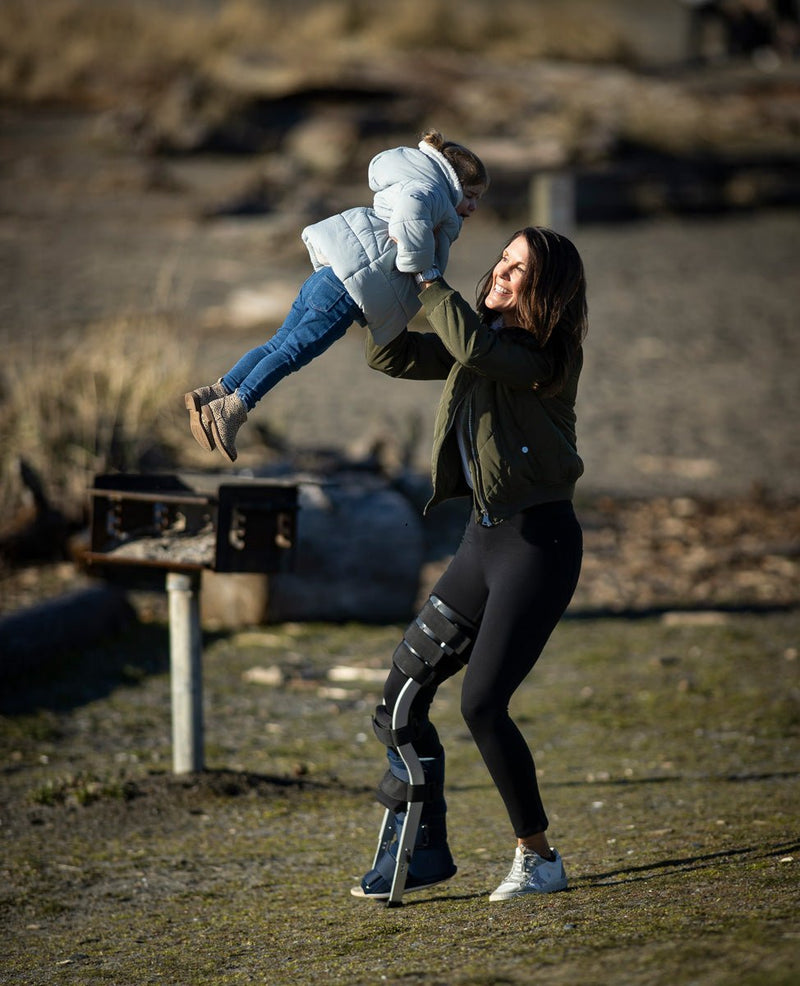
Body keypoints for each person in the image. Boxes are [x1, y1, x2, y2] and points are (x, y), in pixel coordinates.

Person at [351, 226, 588, 902]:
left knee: (482, 704)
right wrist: (379, 293)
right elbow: (392, 357)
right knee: (400, 695)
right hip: (482, 542)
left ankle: (538, 858)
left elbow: (478, 349)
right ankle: (423, 848)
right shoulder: (478, 344)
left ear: (547, 293)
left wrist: (431, 280)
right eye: (502, 261)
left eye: (520, 271)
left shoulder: (547, 356)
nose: (501, 274)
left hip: (538, 547)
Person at [184, 129, 489, 462]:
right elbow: (410, 219)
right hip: (348, 290)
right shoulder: (430, 191)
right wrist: (419, 262)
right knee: (291, 353)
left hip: (331, 275)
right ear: (455, 183)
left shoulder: (418, 183)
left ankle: (214, 393)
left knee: (277, 344)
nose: (474, 206)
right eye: (471, 195)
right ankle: (233, 408)